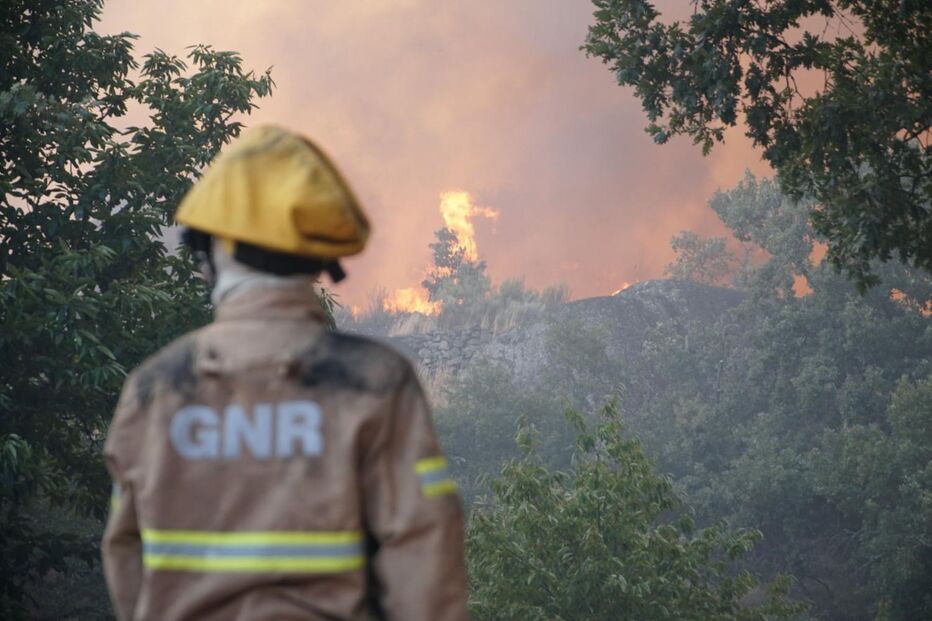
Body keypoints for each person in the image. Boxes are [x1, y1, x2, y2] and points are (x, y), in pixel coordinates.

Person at [101, 125, 470, 621]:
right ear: (320, 257)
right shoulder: (375, 382)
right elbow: (424, 552)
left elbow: (126, 556)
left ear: (213, 253)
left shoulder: (155, 389)